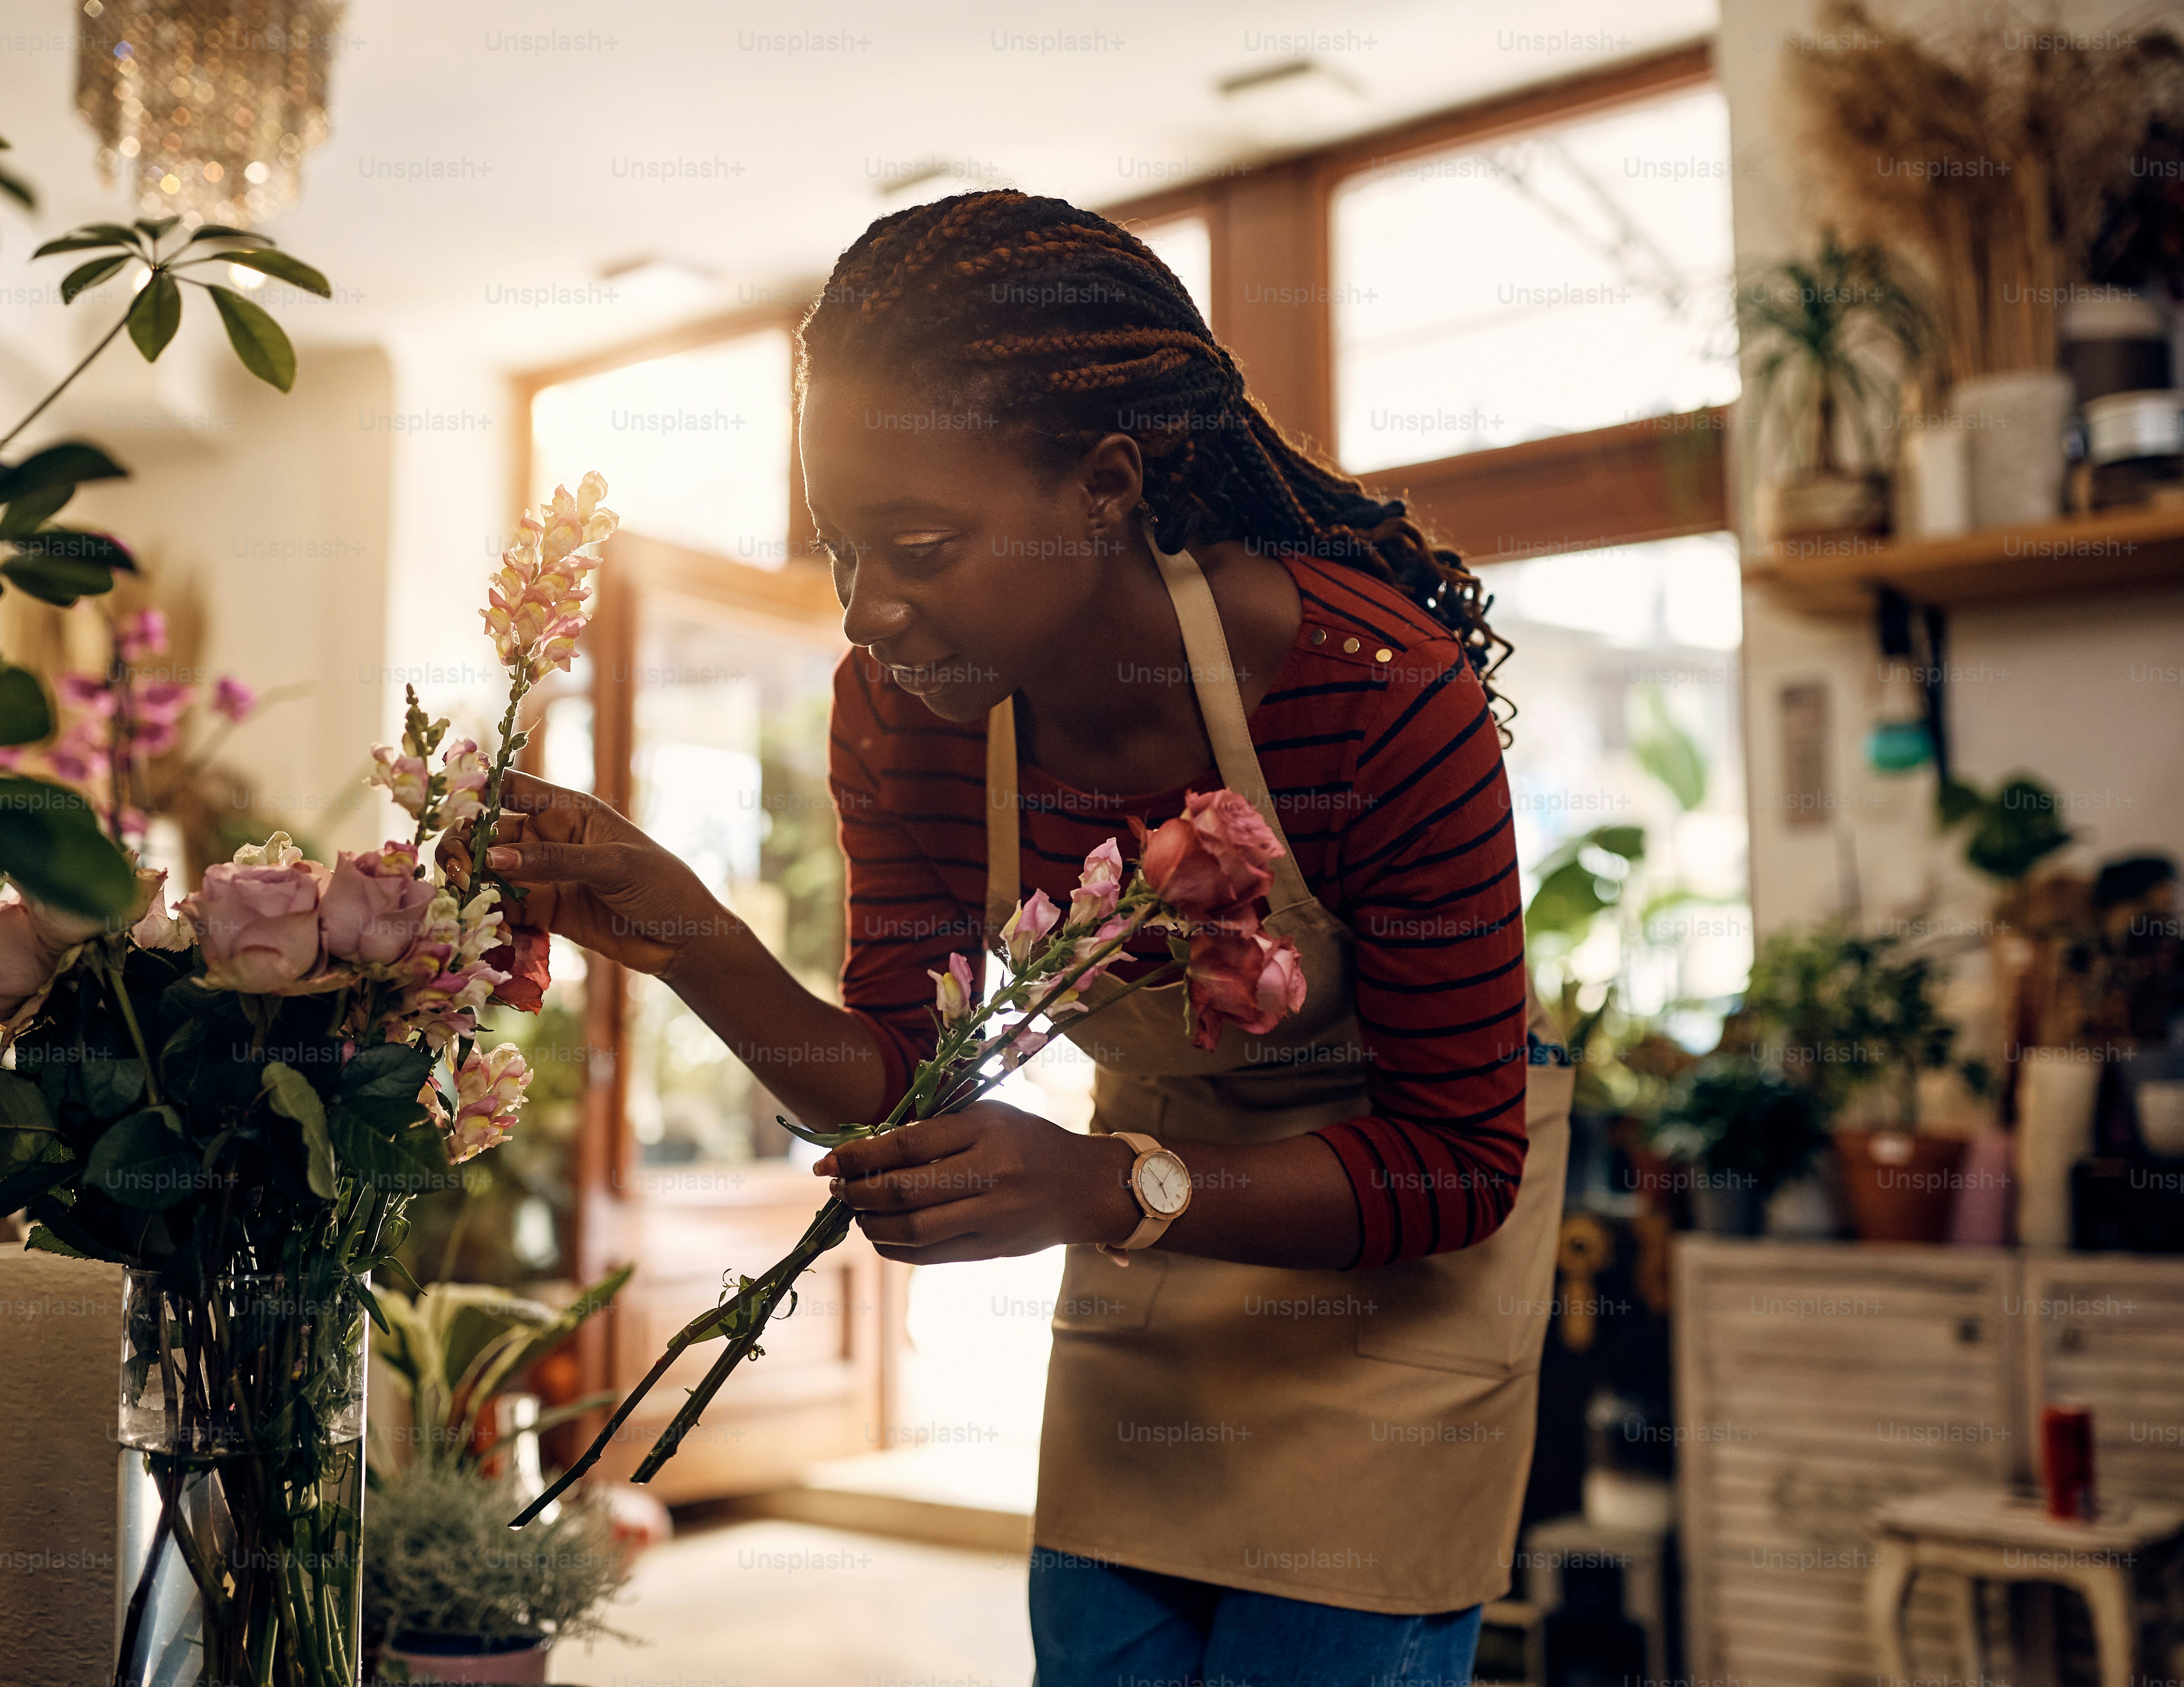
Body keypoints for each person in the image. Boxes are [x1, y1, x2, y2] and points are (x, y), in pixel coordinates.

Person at [483, 190, 1570, 1687]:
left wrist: (1104, 1183)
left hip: (1392, 1286)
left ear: (1107, 486)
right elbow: (898, 1074)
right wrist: (686, 937)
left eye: (920, 544)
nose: (871, 611)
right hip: (1151, 1282)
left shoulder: (1381, 696)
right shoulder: (910, 715)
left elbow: (1462, 1159)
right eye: (842, 550)